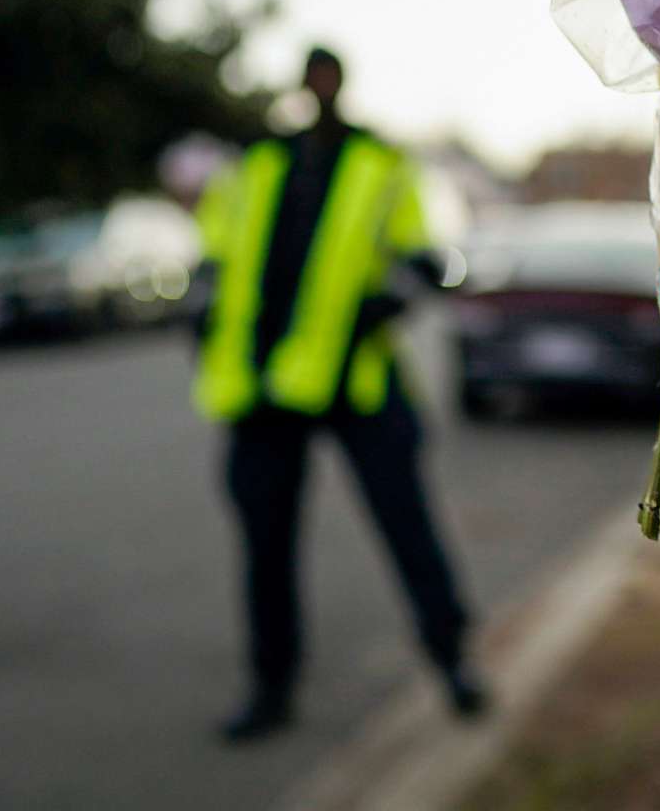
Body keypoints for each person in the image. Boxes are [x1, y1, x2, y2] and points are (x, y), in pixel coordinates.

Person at [192, 46, 485, 742]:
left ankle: (452, 662)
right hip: (264, 388)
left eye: (329, 76)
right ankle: (271, 685)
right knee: (265, 547)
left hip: (356, 380)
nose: (320, 87)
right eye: (311, 77)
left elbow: (418, 252)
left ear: (341, 84)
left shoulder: (382, 164)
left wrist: (398, 295)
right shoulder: (256, 164)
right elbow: (213, 254)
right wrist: (201, 314)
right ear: (302, 85)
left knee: (408, 527)